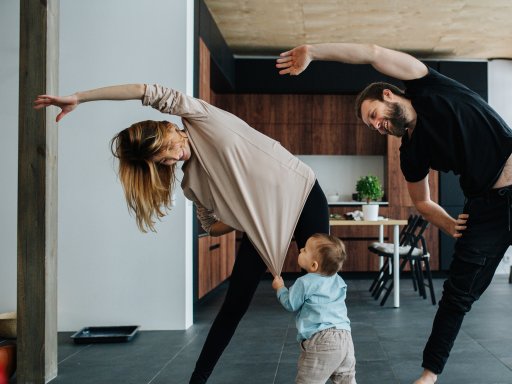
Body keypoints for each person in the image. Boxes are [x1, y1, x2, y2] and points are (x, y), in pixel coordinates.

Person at [276, 43, 512, 384]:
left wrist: (314, 51)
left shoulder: (429, 86)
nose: (378, 126)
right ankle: (429, 376)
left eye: (375, 116)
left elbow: (371, 52)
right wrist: (448, 223)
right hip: (487, 210)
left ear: (388, 95)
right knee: (457, 296)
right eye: (373, 127)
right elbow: (421, 201)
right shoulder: (410, 153)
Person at [34, 84, 329, 384]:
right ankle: (197, 380)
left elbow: (142, 90)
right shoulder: (191, 184)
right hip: (262, 226)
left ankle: (336, 365)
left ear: (168, 130)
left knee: (322, 291)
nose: (173, 159)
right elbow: (211, 226)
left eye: (167, 149)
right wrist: (242, 217)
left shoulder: (199, 117)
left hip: (302, 194)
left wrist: (81, 98)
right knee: (234, 305)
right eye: (163, 162)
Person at [272, 233, 356, 384]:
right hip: (345, 337)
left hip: (322, 340)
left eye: (305, 250)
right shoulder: (338, 279)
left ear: (313, 265)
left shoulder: (305, 282)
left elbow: (290, 304)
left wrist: (280, 288)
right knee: (346, 380)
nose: (301, 250)